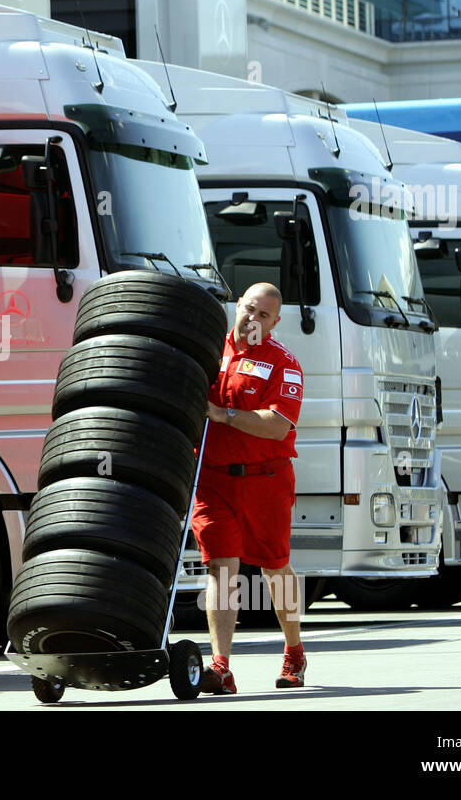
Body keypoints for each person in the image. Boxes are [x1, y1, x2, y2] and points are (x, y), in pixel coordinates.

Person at [191, 282, 305, 692]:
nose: (252, 320)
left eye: (263, 315)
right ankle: (221, 666)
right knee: (222, 567)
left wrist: (225, 415)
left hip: (265, 480)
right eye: (249, 309)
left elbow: (277, 426)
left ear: (275, 323)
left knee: (275, 567)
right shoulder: (206, 350)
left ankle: (294, 651)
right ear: (237, 305)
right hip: (213, 480)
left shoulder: (283, 363)